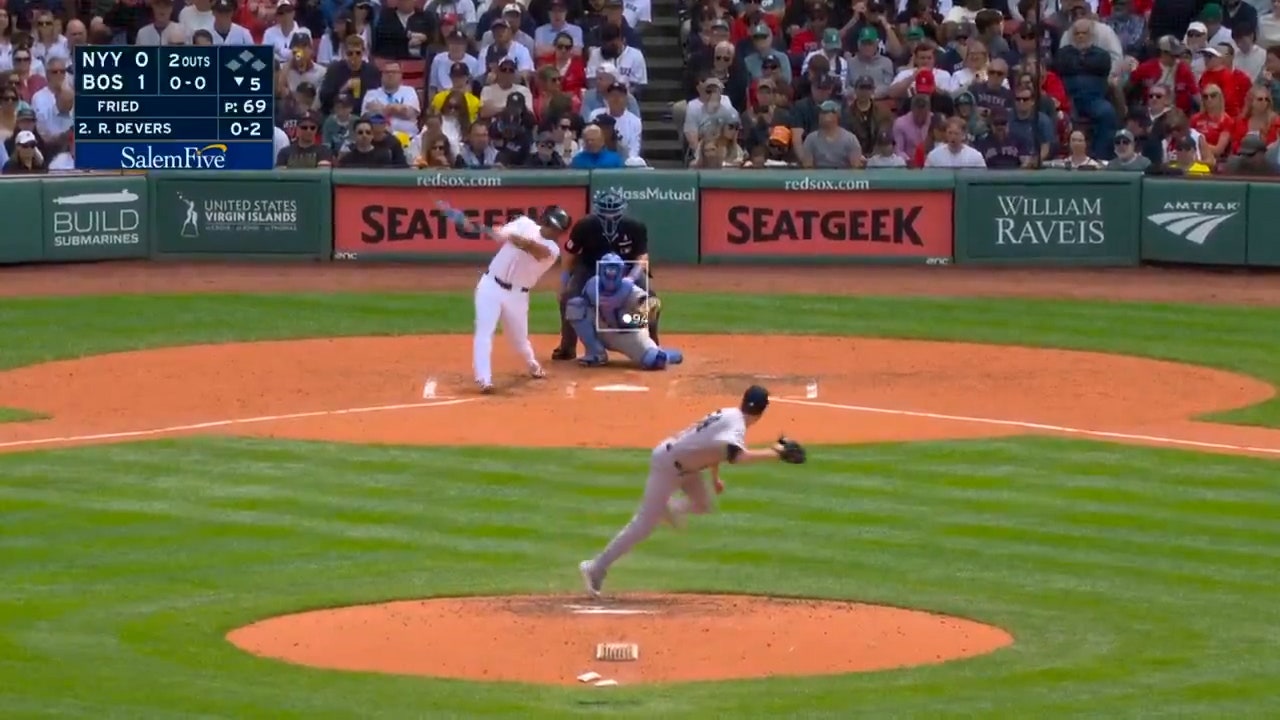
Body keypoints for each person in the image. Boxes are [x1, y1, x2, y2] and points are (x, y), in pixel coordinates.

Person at [577, 386, 806, 598]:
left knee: (702, 504)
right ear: (762, 411)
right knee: (643, 525)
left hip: (686, 466)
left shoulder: (728, 414)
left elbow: (714, 446)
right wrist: (776, 454)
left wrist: (715, 478)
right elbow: (737, 456)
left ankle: (670, 508)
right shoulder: (736, 425)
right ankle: (596, 567)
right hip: (668, 465)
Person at [440, 205, 570, 394]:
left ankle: (531, 363)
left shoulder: (552, 250)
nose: (555, 232)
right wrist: (493, 231)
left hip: (517, 295)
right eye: (553, 226)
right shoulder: (523, 223)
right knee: (485, 331)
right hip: (490, 285)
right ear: (544, 221)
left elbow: (531, 247)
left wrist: (507, 235)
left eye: (559, 229)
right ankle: (484, 379)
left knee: (519, 341)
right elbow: (502, 234)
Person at [553, 189, 652, 360]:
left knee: (650, 299)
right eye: (605, 211)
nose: (609, 216)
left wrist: (632, 277)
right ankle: (567, 346)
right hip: (590, 266)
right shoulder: (585, 225)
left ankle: (652, 343)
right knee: (569, 298)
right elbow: (570, 254)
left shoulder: (635, 227)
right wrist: (564, 281)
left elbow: (642, 256)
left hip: (626, 268)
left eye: (613, 211)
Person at [565, 253, 675, 369]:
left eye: (615, 268)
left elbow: (654, 307)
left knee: (655, 360)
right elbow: (581, 305)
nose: (611, 272)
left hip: (629, 336)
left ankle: (667, 355)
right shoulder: (593, 284)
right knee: (575, 306)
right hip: (602, 330)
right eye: (607, 267)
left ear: (621, 271)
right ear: (600, 269)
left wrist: (629, 320)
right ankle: (596, 353)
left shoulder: (631, 290)